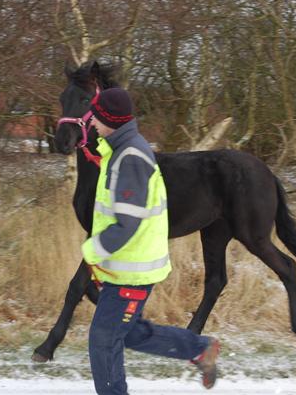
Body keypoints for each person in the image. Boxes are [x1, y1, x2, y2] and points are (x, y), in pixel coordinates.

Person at [81, 88, 221, 395]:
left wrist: (92, 252)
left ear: (108, 119)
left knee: (104, 340)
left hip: (131, 270)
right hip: (125, 268)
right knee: (130, 334)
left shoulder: (130, 157)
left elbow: (127, 223)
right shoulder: (120, 150)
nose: (90, 122)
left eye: (95, 116)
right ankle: (200, 348)